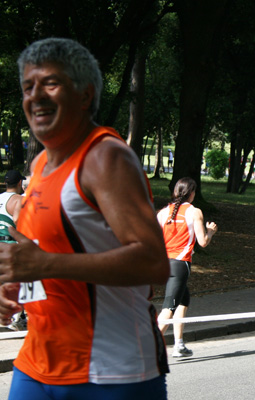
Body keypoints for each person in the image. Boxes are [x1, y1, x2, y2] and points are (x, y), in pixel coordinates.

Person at [0, 38, 170, 399]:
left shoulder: (106, 158)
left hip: (111, 373)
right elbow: (45, 252)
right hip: (37, 364)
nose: (36, 96)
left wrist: (45, 263)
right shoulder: (40, 165)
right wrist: (15, 284)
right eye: (28, 87)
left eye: (50, 83)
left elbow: (154, 263)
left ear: (84, 95)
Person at [156, 177, 216, 357]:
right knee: (169, 308)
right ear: (191, 193)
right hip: (180, 265)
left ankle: (179, 345)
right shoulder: (194, 211)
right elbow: (203, 242)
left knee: (183, 301)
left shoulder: (162, 213)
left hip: (165, 264)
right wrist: (211, 232)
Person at [0, 170, 26, 331]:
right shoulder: (18, 200)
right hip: (10, 244)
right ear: (18, 183)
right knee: (17, 281)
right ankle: (17, 317)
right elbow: (18, 220)